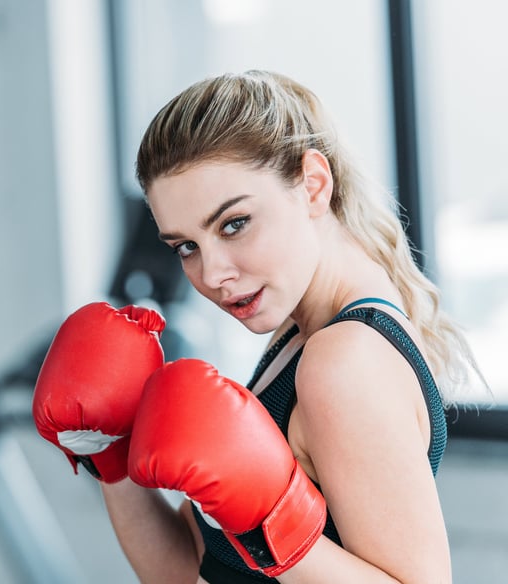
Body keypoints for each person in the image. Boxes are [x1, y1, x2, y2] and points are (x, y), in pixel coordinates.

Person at [33, 70, 485, 583]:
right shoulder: (297, 330)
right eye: (186, 246)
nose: (212, 274)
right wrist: (112, 456)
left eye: (234, 224)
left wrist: (274, 523)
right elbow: (188, 570)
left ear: (313, 185)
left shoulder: (344, 361)